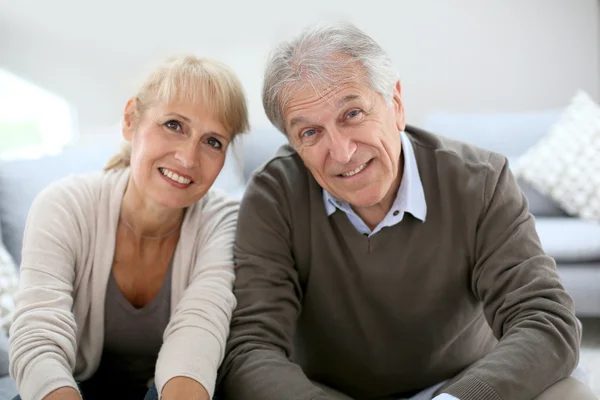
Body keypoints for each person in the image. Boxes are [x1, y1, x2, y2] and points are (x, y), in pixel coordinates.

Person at [217, 23, 597, 400]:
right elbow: (251, 348)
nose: (343, 152)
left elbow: (547, 321)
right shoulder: (273, 194)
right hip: (328, 393)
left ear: (395, 104)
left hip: (459, 387)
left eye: (352, 114)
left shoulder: (481, 181)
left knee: (571, 392)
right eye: (310, 133)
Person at [9, 55, 249, 400]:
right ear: (130, 120)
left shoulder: (225, 222)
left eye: (212, 142)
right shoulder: (64, 205)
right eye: (173, 125)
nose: (188, 158)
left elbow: (199, 333)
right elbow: (38, 335)